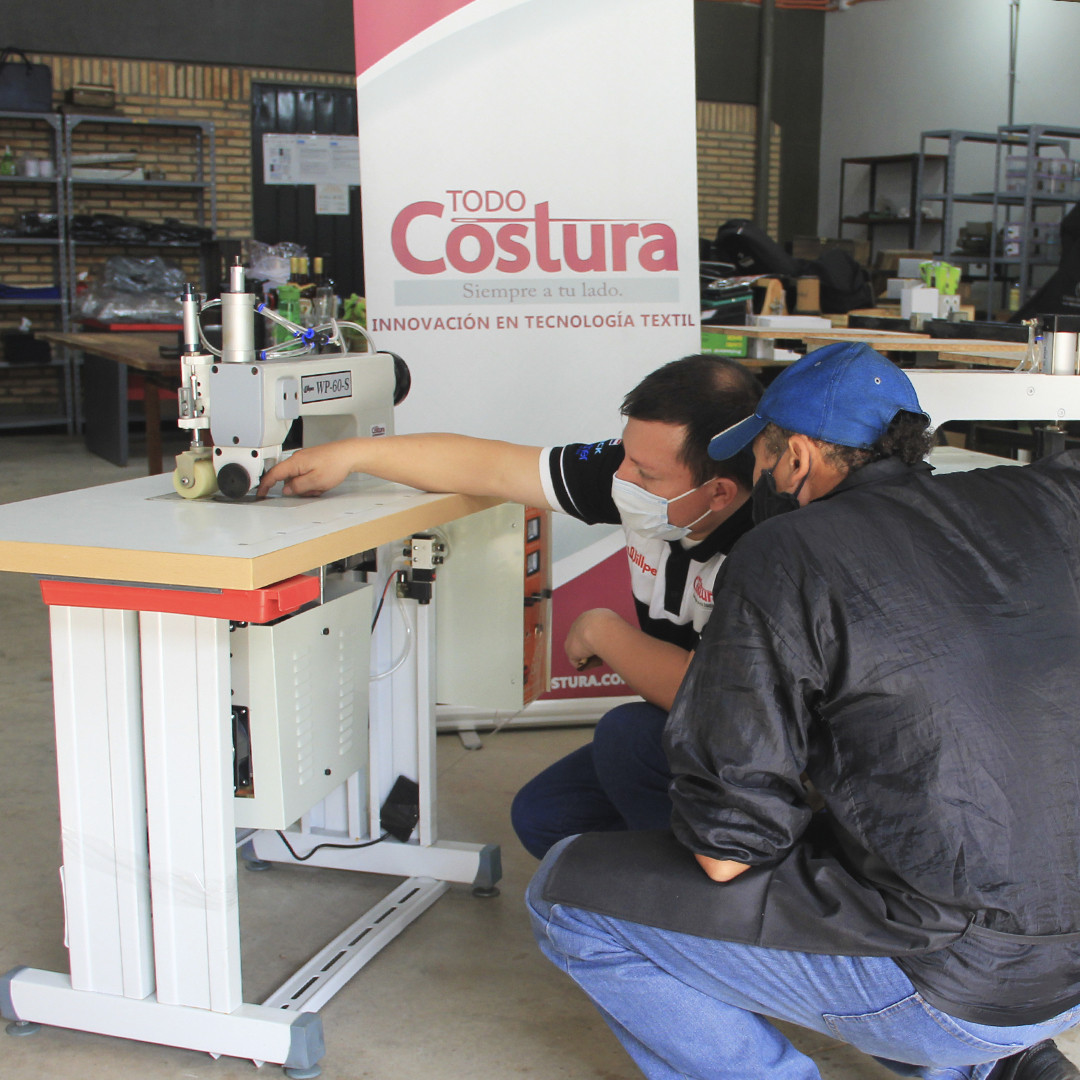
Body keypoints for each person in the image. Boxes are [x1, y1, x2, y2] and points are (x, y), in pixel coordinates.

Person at [526, 342, 1080, 1080]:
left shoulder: (784, 550)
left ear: (796, 459)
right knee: (622, 753)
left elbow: (729, 849)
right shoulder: (1041, 500)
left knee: (566, 893)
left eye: (760, 455)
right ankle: (998, 1062)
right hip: (1068, 965)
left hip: (960, 983)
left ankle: (950, 1055)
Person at [257, 354, 763, 858]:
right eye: (624, 454)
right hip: (691, 728)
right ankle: (652, 883)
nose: (620, 475)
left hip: (753, 750)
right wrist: (350, 455)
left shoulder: (768, 553)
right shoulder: (645, 476)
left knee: (627, 734)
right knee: (547, 817)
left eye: (644, 473)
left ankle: (726, 886)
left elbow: (705, 698)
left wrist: (600, 629)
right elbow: (491, 467)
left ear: (718, 493)